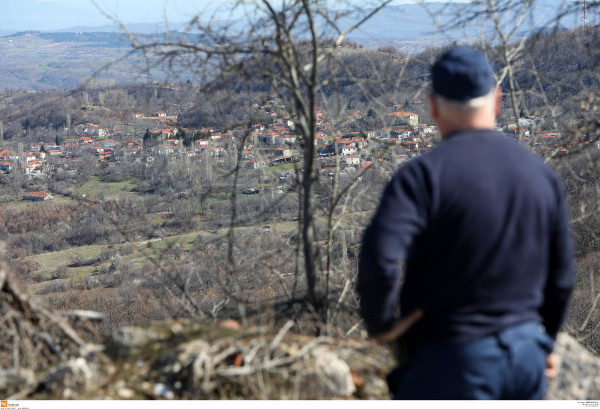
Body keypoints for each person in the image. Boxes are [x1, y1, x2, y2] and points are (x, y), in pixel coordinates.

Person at [357, 47, 575, 400]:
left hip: (452, 361)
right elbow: (562, 278)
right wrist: (543, 343)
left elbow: (380, 259)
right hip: (524, 359)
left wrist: (383, 327)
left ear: (432, 105)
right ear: (497, 99)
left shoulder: (422, 176)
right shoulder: (541, 175)